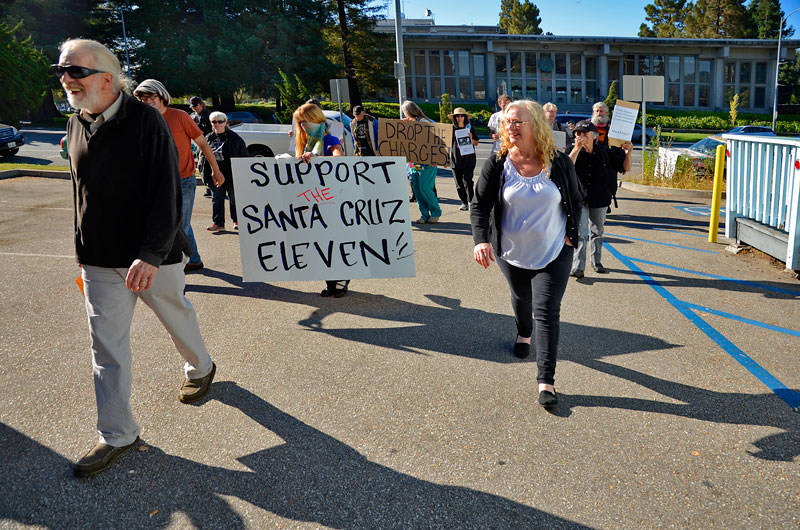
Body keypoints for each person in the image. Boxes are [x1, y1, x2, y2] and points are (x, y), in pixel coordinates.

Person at [56, 38, 217, 477]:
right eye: (61, 71)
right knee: (106, 347)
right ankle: (117, 434)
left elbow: (167, 193)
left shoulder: (146, 121)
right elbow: (80, 194)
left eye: (75, 71)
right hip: (99, 260)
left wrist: (149, 253)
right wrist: (81, 249)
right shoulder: (75, 124)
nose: (66, 79)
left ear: (106, 77)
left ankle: (201, 368)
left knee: (176, 314)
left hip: (153, 256)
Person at [471, 100, 582, 409]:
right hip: (511, 251)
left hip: (554, 250)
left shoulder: (558, 162)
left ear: (536, 126)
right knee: (522, 300)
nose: (511, 127)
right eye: (508, 122)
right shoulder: (499, 161)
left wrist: (574, 237)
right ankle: (523, 332)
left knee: (547, 311)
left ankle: (546, 381)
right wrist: (480, 240)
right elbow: (479, 204)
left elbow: (576, 200)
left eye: (518, 122)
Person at [133, 79, 222, 273]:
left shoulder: (180, 116)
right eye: (142, 98)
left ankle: (177, 264)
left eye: (150, 97)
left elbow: (203, 144)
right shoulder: (142, 119)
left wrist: (216, 170)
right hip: (155, 183)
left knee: (180, 224)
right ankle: (194, 260)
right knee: (168, 224)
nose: (146, 101)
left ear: (162, 96)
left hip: (183, 180)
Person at [293, 103, 351, 298]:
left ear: (316, 120)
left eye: (306, 122)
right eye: (300, 123)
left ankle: (341, 280)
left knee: (336, 240)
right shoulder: (306, 143)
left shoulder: (330, 140)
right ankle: (330, 282)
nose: (303, 127)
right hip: (313, 202)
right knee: (322, 243)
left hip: (333, 200)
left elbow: (339, 157)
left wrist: (317, 158)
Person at [568, 120, 632, 278]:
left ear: (594, 136)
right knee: (581, 233)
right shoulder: (572, 150)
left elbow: (625, 168)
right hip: (580, 198)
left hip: (600, 197)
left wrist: (628, 153)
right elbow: (566, 168)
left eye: (585, 134)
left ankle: (596, 262)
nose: (581, 136)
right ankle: (578, 267)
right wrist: (577, 148)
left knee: (597, 231)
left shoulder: (604, 151)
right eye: (578, 134)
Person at [202, 111, 249, 232]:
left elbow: (244, 156)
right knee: (217, 197)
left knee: (234, 198)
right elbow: (202, 158)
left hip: (232, 173)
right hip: (214, 173)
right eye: (214, 122)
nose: (217, 124)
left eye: (220, 121)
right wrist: (204, 174)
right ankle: (218, 223)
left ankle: (237, 220)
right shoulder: (208, 138)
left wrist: (243, 173)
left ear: (226, 123)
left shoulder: (235, 138)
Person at [401, 100, 441, 224]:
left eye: (404, 112)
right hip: (413, 163)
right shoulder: (410, 123)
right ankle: (424, 214)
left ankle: (435, 212)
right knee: (417, 190)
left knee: (424, 188)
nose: (404, 114)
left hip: (428, 162)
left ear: (409, 111)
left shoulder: (423, 123)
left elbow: (433, 141)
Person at [448, 107, 480, 211]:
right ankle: (464, 202)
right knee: (458, 183)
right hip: (455, 160)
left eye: (462, 116)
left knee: (468, 181)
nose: (460, 118)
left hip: (469, 159)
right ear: (454, 118)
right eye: (457, 116)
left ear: (465, 117)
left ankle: (471, 201)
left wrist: (471, 138)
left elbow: (476, 143)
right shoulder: (450, 129)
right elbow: (445, 144)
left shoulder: (470, 128)